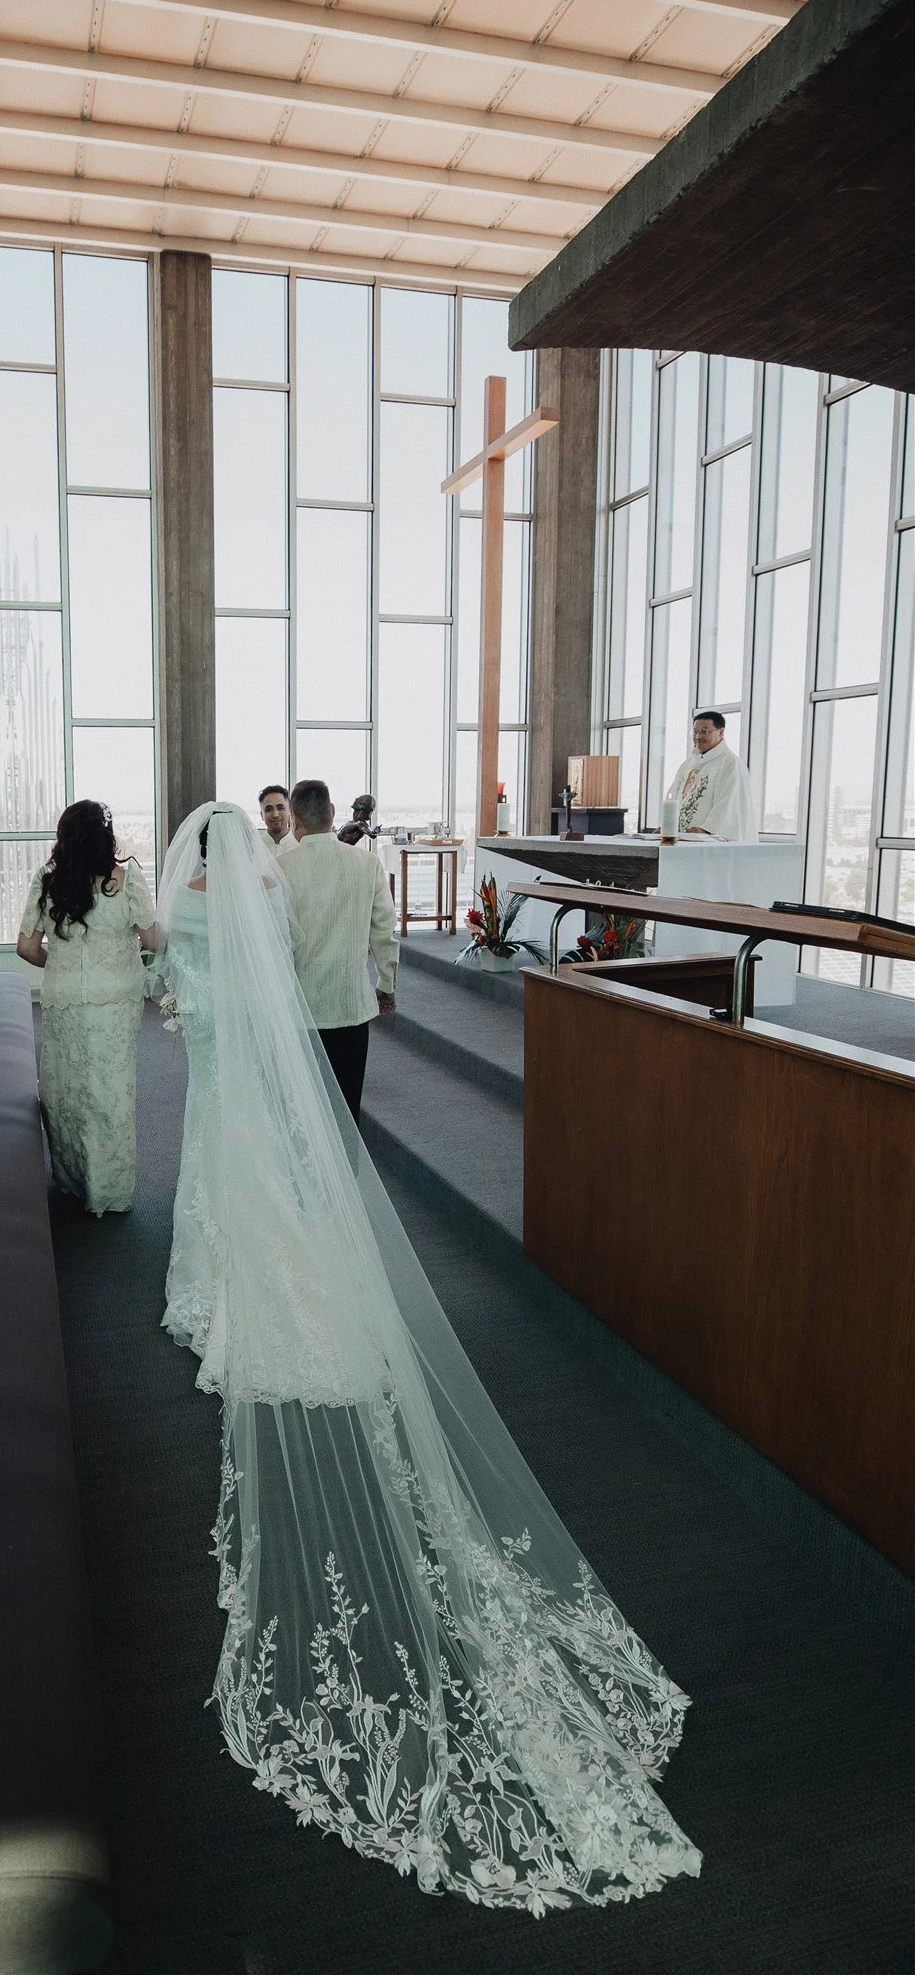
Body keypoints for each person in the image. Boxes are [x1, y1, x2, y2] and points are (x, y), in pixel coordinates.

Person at [154, 801, 700, 1912]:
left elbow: (177, 982)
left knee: (215, 1162)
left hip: (211, 1049)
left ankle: (216, 1288)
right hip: (272, 1042)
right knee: (261, 1167)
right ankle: (254, 1281)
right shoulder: (262, 889)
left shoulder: (182, 902)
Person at [16, 799, 157, 1216]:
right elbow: (152, 941)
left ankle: (74, 1182)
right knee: (110, 1091)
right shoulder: (127, 878)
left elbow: (26, 947)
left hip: (62, 999)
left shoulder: (47, 880)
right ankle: (109, 1192)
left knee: (66, 1090)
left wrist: (58, 964)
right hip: (115, 1001)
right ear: (107, 836)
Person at [275, 779, 397, 1123]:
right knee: (347, 1112)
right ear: (331, 813)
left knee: (303, 1115)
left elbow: (278, 940)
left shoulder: (281, 869)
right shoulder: (367, 864)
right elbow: (385, 932)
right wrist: (386, 984)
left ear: (294, 820)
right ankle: (349, 1176)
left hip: (301, 1010)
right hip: (350, 1007)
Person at [665, 711, 758, 840]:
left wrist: (707, 828)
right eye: (695, 732)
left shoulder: (730, 763)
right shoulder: (688, 764)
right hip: (682, 840)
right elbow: (673, 798)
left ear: (721, 732)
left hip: (709, 842)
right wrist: (667, 827)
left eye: (704, 731)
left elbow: (729, 803)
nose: (698, 737)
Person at [256, 783, 297, 857]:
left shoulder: (298, 844)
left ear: (290, 811)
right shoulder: (255, 847)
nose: (275, 814)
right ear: (262, 815)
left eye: (280, 808)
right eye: (269, 809)